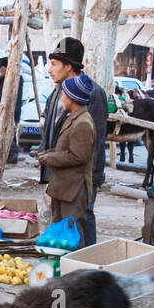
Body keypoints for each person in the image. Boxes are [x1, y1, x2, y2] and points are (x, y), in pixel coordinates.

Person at [38, 36, 108, 246]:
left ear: (68, 67)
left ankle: (88, 268)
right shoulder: (58, 90)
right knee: (64, 225)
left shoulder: (93, 94)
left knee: (82, 221)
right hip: (61, 172)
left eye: (54, 64)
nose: (50, 69)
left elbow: (91, 142)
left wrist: (87, 180)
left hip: (80, 177)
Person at [31, 73, 97, 228]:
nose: (61, 96)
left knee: (71, 237)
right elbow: (67, 147)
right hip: (64, 188)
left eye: (64, 94)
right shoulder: (73, 117)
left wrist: (49, 159)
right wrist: (47, 153)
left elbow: (78, 156)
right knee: (60, 237)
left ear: (73, 98)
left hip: (73, 191)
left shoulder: (83, 123)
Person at [0, 56, 24, 164]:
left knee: (10, 133)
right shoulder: (2, 78)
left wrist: (11, 111)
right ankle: (5, 156)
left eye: (3, 67)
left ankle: (13, 155)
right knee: (2, 133)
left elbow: (16, 97)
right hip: (1, 109)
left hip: (12, 111)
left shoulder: (16, 78)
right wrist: (0, 77)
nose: (2, 69)